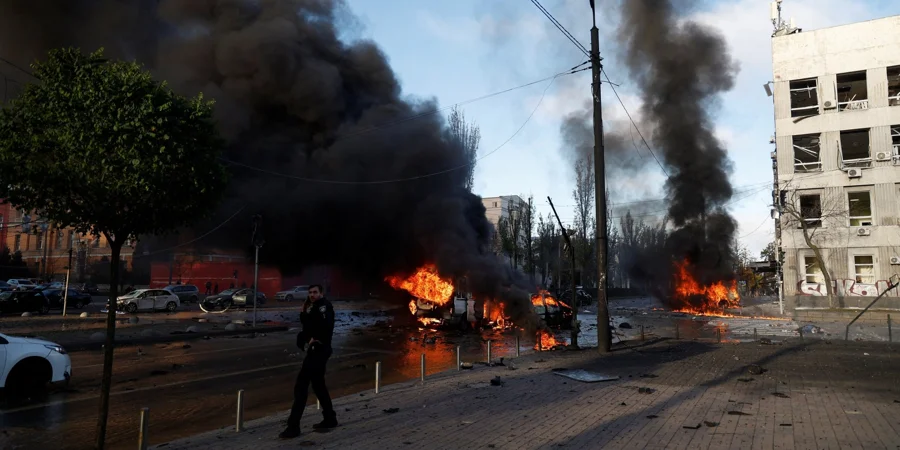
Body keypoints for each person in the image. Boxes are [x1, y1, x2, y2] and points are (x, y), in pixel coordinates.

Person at [280, 284, 337, 438]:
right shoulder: (311, 307)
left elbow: (326, 327)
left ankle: (293, 426)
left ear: (321, 293)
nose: (312, 294)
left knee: (301, 386)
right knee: (318, 386)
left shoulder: (324, 306)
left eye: (315, 292)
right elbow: (307, 328)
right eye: (310, 292)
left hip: (319, 350)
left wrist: (315, 339)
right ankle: (330, 418)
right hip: (315, 350)